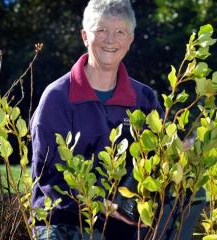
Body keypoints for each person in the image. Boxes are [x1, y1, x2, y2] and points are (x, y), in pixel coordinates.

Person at [30, 0, 163, 239]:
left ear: (130, 40)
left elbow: (155, 162)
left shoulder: (144, 99)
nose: (110, 40)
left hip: (122, 225)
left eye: (120, 32)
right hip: (62, 220)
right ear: (84, 36)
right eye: (101, 30)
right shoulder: (57, 98)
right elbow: (49, 177)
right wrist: (104, 206)